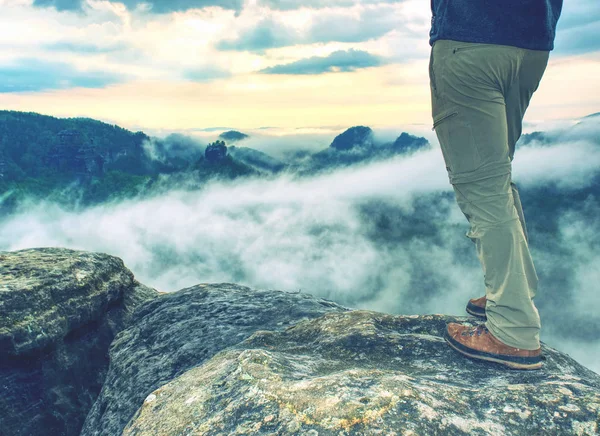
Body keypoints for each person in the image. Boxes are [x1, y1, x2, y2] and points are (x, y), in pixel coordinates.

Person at [428, 0, 563, 369]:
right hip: (532, 42)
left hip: (471, 39)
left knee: (482, 187)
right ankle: (508, 294)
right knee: (497, 176)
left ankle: (512, 331)